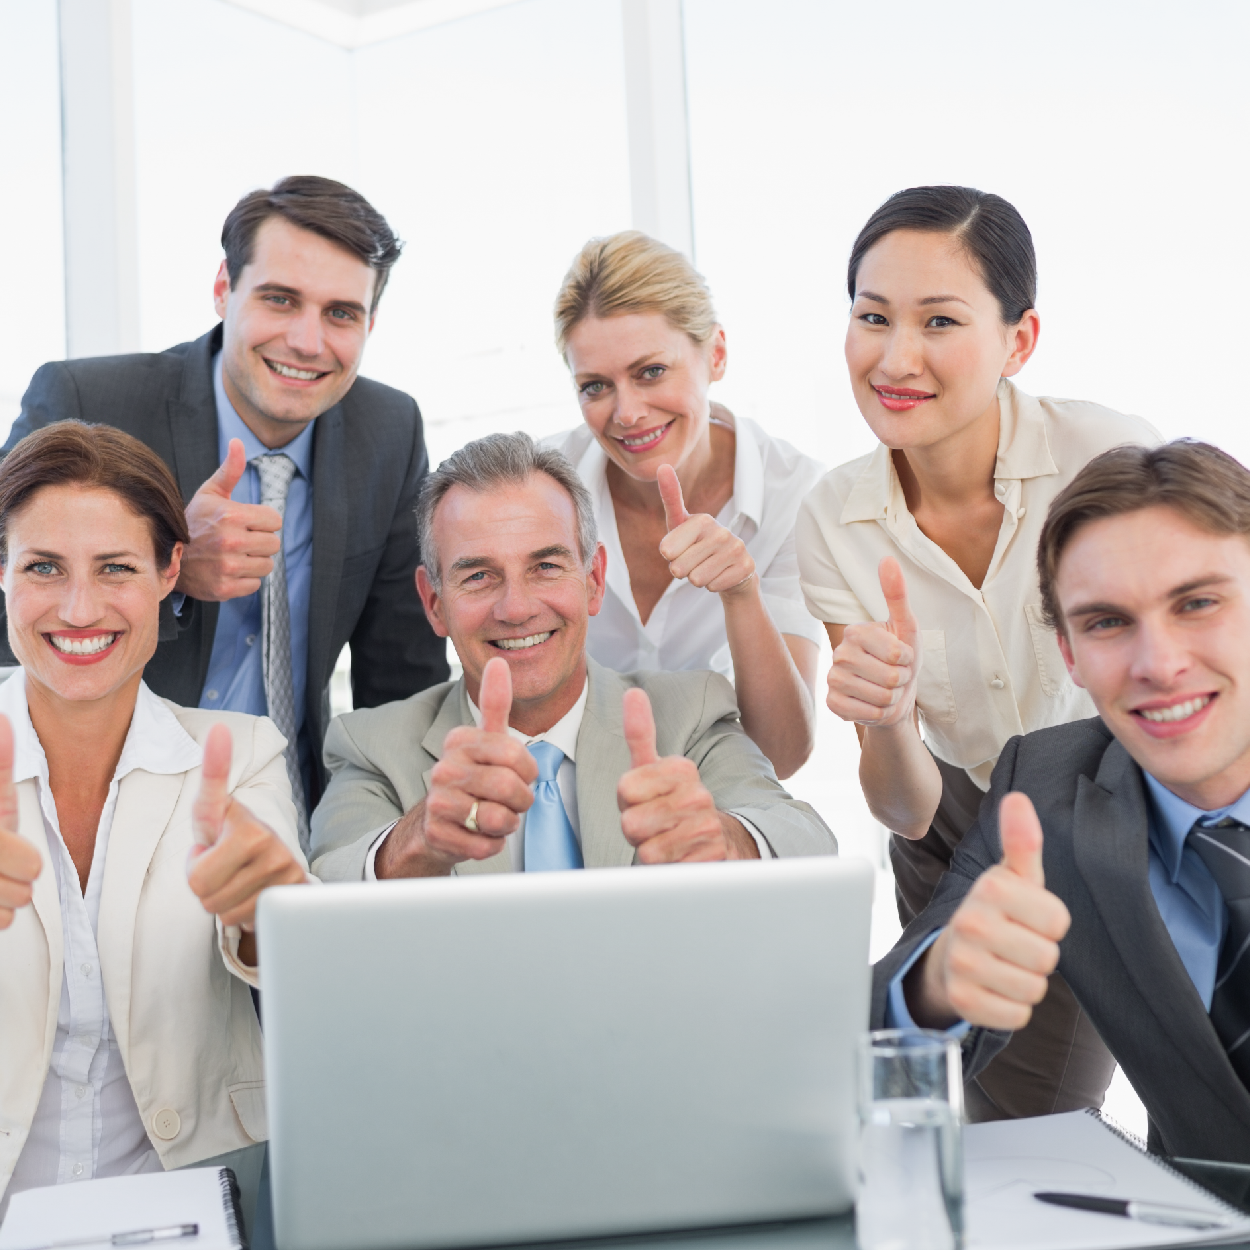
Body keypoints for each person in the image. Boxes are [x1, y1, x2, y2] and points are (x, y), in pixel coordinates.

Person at [796, 185, 1160, 1120]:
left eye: (940, 321)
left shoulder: (1107, 463)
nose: (895, 357)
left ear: (1018, 341)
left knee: (1023, 1120)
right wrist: (884, 720)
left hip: (1095, 814)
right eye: (871, 318)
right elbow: (905, 806)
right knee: (907, 1094)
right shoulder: (836, 518)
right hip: (950, 827)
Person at [5, 176, 449, 849]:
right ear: (223, 289)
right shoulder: (88, 400)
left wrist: (398, 848)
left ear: (369, 324)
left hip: (287, 822)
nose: (307, 341)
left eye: (340, 313)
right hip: (100, 818)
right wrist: (165, 566)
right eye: (280, 300)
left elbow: (401, 677)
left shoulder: (388, 429)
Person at [875, 440, 1250, 1161]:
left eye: (1198, 603)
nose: (1159, 665)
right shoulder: (1044, 789)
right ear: (1071, 654)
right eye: (1108, 622)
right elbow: (866, 1039)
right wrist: (935, 984)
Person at [0, 423, 307, 1215]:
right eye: (43, 567)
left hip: (182, 1213)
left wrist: (263, 916)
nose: (79, 607)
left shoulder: (239, 754)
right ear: (2, 572)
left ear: (172, 571)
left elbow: (286, 951)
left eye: (116, 569)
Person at [310, 433, 836, 882]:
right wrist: (415, 842)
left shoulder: (690, 714)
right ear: (433, 603)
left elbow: (809, 844)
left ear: (594, 581)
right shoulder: (369, 745)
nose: (516, 609)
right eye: (477, 576)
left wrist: (725, 838)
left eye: (545, 567)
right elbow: (317, 891)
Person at [543, 231, 825, 781]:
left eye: (651, 372)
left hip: (720, 808)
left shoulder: (794, 496)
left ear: (715, 354)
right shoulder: (543, 484)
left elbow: (783, 754)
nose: (627, 413)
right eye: (595, 386)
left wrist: (742, 596)